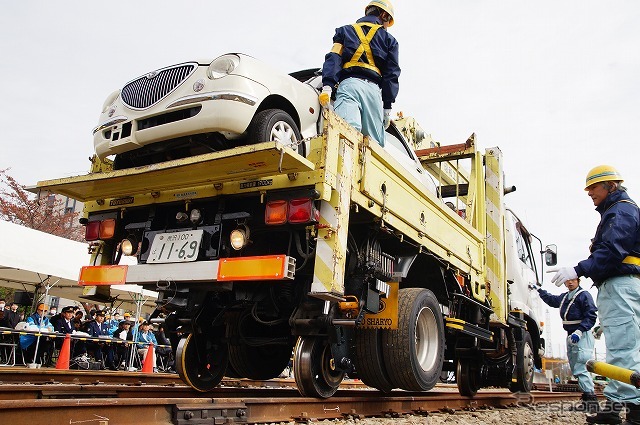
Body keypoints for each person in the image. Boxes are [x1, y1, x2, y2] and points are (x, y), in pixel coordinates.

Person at [549, 165, 640, 425]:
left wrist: (578, 269)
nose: (589, 193)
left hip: (618, 285)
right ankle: (626, 407)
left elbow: (612, 251)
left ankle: (624, 411)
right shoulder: (623, 209)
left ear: (611, 186)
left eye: (593, 188)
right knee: (631, 347)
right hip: (626, 284)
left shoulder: (620, 210)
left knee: (622, 347)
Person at [320, 0, 400, 147]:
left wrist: (327, 86)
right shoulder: (390, 41)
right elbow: (391, 74)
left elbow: (334, 57)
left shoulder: (345, 31)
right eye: (388, 21)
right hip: (373, 93)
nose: (387, 26)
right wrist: (387, 106)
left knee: (346, 134)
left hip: (349, 85)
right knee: (373, 146)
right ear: (383, 15)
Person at [538, 278, 598, 412]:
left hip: (581, 334)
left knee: (582, 365)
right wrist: (540, 291)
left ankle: (591, 401)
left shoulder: (583, 295)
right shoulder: (566, 297)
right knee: (576, 367)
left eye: (573, 280)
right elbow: (552, 300)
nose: (570, 283)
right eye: (567, 281)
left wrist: (580, 330)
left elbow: (591, 315)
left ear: (578, 281)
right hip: (571, 334)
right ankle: (587, 399)